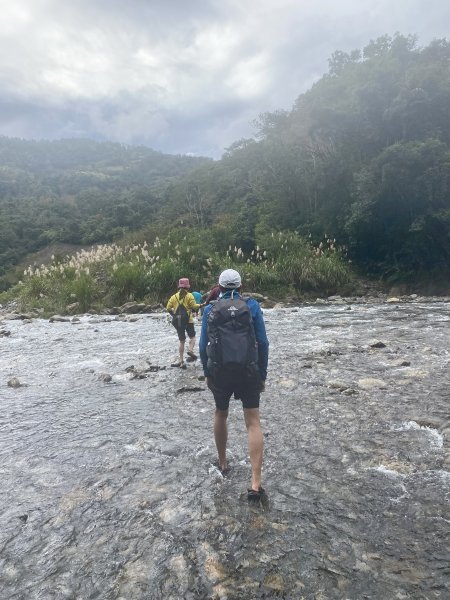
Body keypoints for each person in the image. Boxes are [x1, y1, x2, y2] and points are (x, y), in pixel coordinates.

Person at [199, 268, 269, 504]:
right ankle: (255, 484)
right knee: (253, 422)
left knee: (221, 413)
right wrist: (262, 374)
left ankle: (223, 463)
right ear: (241, 286)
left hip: (220, 371)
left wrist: (207, 372)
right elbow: (263, 342)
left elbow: (202, 345)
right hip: (248, 370)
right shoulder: (252, 306)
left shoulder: (210, 308)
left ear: (218, 287)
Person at [166, 278, 203, 368]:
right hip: (188, 320)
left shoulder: (174, 297)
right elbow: (194, 306)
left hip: (178, 321)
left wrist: (174, 314)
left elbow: (168, 308)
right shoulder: (189, 295)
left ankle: (181, 361)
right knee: (193, 337)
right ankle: (190, 350)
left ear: (179, 286)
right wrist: (203, 304)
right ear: (187, 287)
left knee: (181, 341)